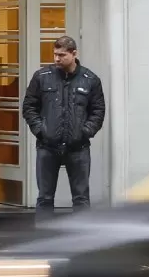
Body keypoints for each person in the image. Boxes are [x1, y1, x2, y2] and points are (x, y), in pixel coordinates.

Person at [21, 36, 105, 216]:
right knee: (44, 198)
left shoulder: (90, 79)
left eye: (62, 55)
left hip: (78, 148)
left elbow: (98, 111)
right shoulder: (41, 77)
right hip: (47, 146)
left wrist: (85, 132)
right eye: (55, 54)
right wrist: (40, 130)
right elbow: (29, 107)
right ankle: (44, 239)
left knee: (81, 199)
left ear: (74, 54)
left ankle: (82, 240)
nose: (57, 59)